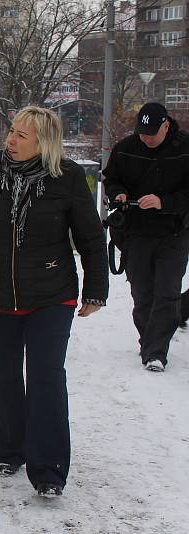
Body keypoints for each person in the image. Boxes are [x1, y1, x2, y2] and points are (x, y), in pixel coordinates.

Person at [0, 106, 109, 497]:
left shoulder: (68, 176)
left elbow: (90, 237)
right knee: (3, 373)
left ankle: (49, 469)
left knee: (45, 377)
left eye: (22, 136)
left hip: (51, 294)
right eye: (12, 132)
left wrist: (96, 288)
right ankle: (9, 449)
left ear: (45, 143)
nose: (11, 140)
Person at [102, 102, 189, 372]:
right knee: (142, 293)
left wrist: (164, 202)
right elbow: (110, 179)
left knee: (168, 291)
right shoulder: (126, 148)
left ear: (166, 125)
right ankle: (149, 340)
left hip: (174, 231)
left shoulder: (185, 149)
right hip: (136, 231)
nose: (147, 138)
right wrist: (118, 194)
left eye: (152, 133)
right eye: (142, 133)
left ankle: (156, 352)